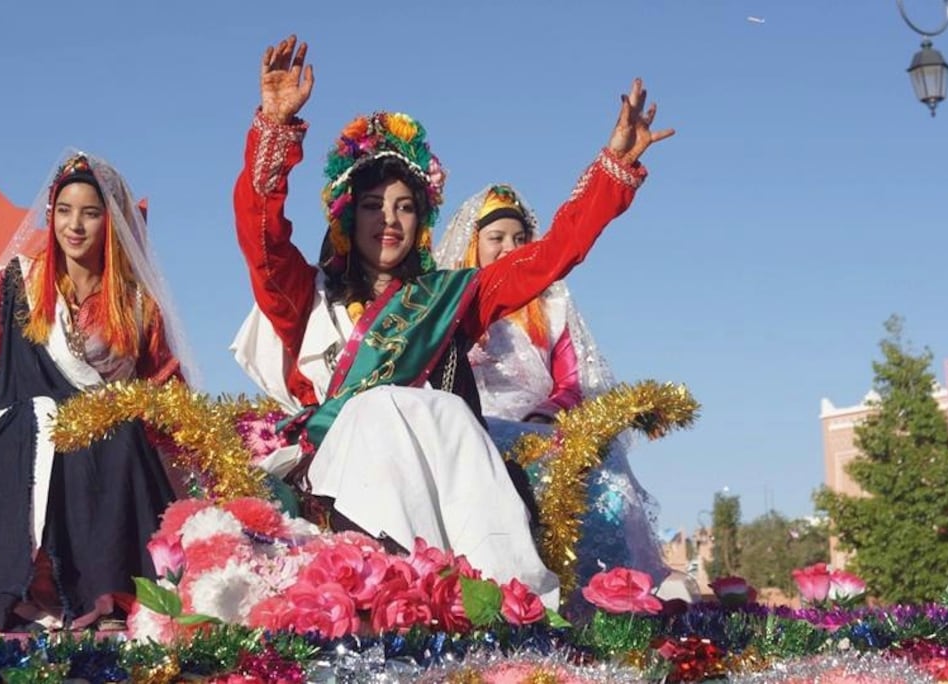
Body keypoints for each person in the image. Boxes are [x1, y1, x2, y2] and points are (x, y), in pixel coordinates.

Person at [230, 36, 673, 606]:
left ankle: (505, 602)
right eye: (372, 206)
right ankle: (397, 585)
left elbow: (551, 254)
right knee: (389, 404)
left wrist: (614, 167)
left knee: (435, 409)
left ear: (422, 220)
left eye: (404, 206)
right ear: (346, 216)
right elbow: (261, 237)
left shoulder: (449, 296)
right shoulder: (306, 296)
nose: (388, 221)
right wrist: (274, 128)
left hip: (445, 477)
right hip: (339, 478)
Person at [0, 152, 192, 631]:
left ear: (111, 221)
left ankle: (109, 599)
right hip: (24, 445)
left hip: (106, 453)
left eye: (90, 212)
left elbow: (168, 394)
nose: (75, 225)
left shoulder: (136, 305)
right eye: (64, 211)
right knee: (40, 417)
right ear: (51, 216)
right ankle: (32, 593)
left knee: (125, 434)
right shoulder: (19, 285)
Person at [434, 185, 670, 593]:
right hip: (471, 430)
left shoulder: (551, 306)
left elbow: (574, 381)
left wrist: (546, 414)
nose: (510, 247)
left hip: (543, 429)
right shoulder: (456, 302)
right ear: (474, 244)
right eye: (497, 238)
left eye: (520, 238)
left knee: (603, 456)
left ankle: (608, 591)